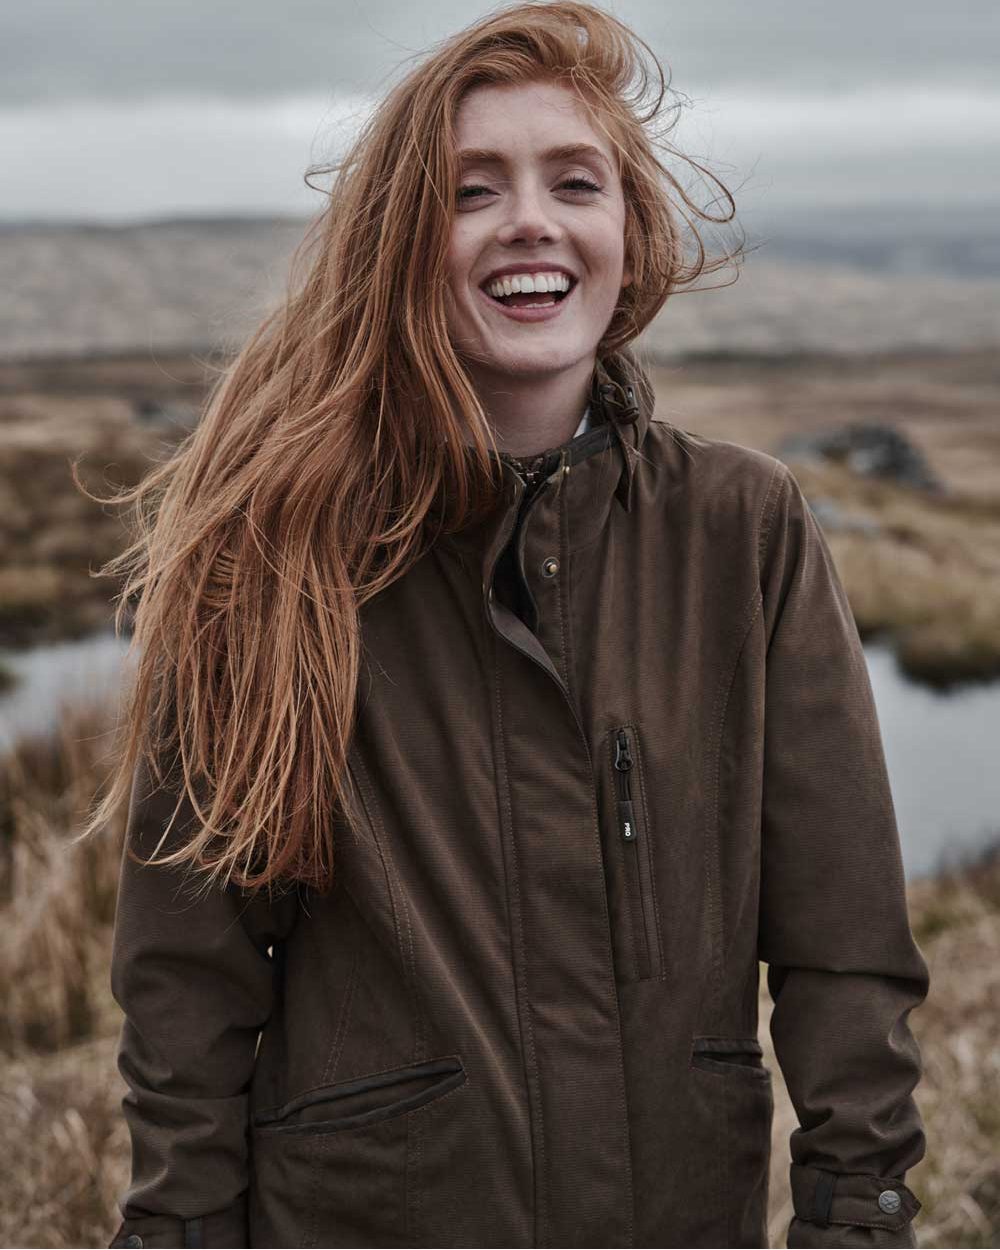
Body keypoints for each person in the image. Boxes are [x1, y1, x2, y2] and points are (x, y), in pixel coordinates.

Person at [84, 4, 930, 1247]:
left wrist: (859, 1220)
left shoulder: (742, 528)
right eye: (470, 190)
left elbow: (844, 946)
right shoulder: (267, 557)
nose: (529, 218)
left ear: (626, 234)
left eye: (573, 180)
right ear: (401, 246)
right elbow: (185, 991)